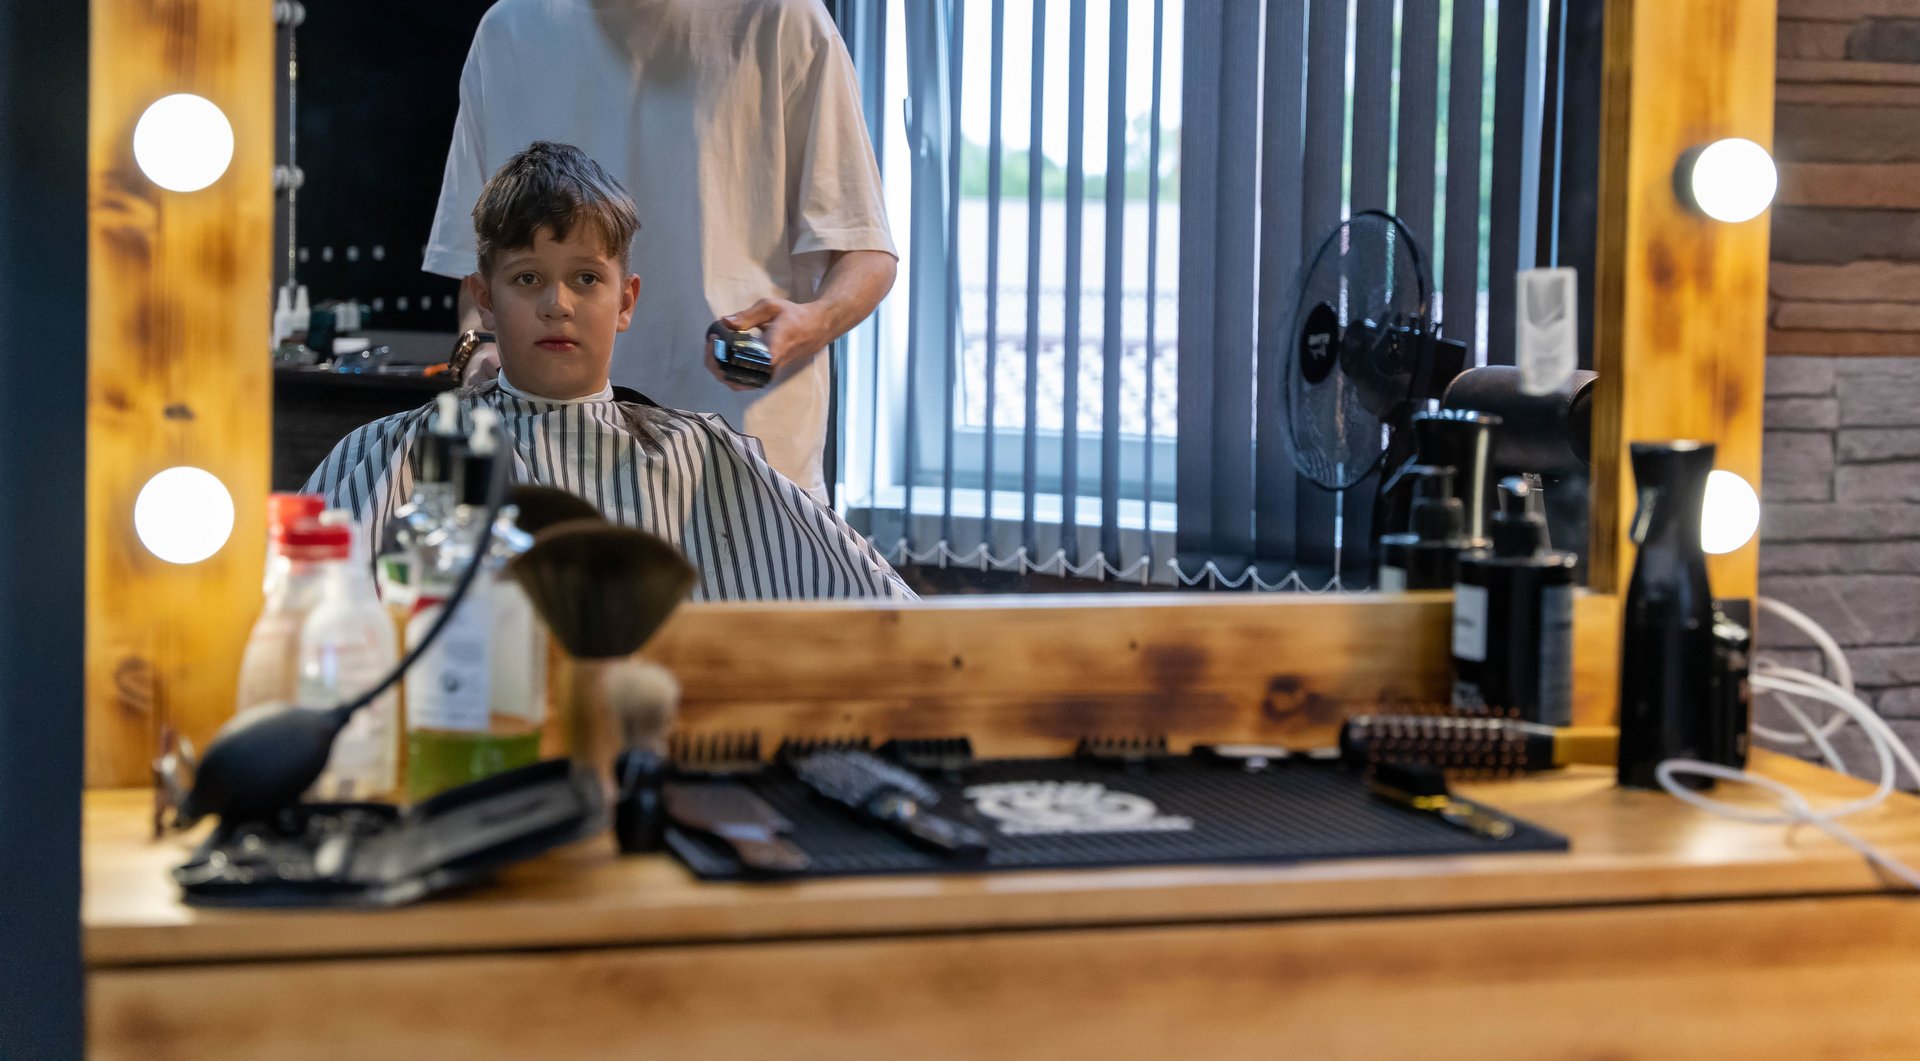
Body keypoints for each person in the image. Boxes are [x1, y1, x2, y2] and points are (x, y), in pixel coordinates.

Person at [306, 142, 912, 602]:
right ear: (484, 297)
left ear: (626, 301)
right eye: (527, 278)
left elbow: (882, 607)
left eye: (587, 278)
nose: (557, 304)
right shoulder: (392, 452)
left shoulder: (697, 453)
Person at [424, 0, 896, 503]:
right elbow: (477, 260)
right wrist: (478, 347)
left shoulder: (782, 16)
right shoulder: (508, 30)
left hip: (744, 457)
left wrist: (810, 324)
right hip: (549, 452)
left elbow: (866, 253)